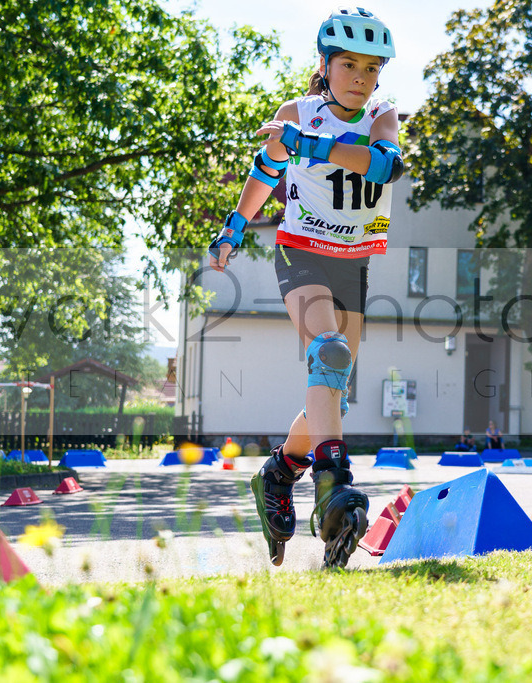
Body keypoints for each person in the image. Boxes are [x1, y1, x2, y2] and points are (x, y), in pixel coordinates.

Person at [209, 8, 403, 569]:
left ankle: (280, 471)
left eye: (372, 68)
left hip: (354, 262)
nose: (360, 78)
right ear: (325, 64)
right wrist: (234, 227)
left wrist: (309, 146)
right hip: (302, 251)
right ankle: (333, 486)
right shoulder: (296, 114)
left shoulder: (382, 115)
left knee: (333, 391)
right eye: (349, 64)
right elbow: (266, 172)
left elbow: (383, 168)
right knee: (330, 353)